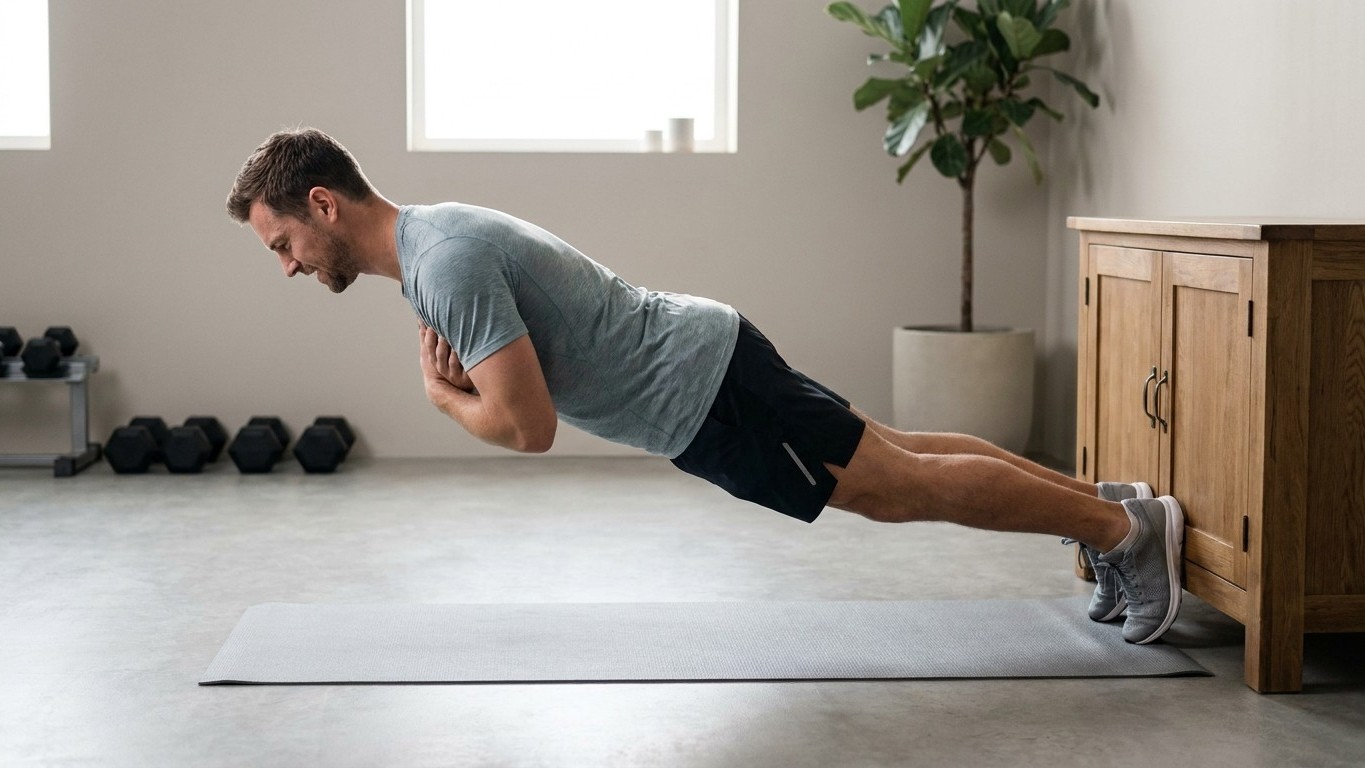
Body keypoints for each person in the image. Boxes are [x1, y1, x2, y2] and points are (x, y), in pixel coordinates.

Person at [226, 128, 1186, 645]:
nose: (288, 265)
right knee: (896, 454)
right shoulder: (436, 241)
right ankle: (1106, 511)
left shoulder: (444, 268)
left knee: (899, 488)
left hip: (699, 389)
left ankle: (1123, 535)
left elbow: (527, 430)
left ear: (322, 202)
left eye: (283, 244)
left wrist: (445, 403)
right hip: (701, 367)